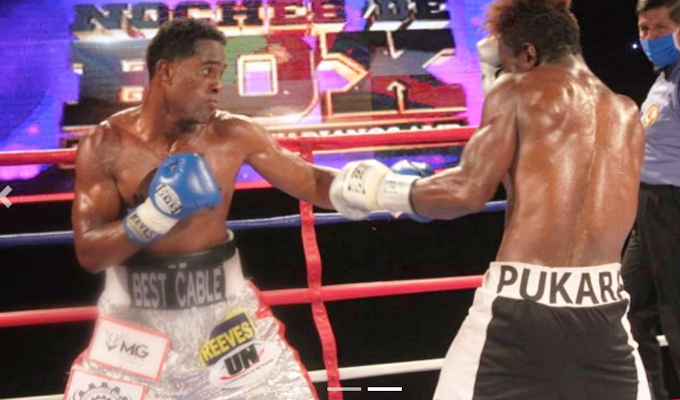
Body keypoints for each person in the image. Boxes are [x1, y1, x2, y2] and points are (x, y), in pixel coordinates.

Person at [329, 0, 652, 398]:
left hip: (517, 310)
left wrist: (381, 188)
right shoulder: (627, 113)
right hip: (604, 312)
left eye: (507, 64)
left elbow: (466, 191)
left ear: (528, 54)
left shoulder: (516, 88)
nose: (501, 74)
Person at [65, 18, 337, 400]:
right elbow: (90, 253)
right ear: (167, 72)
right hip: (132, 331)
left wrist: (390, 191)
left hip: (227, 324)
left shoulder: (234, 133)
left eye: (220, 73)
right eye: (207, 70)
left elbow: (313, 183)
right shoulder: (105, 145)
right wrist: (156, 214)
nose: (217, 84)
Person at [623, 1, 680, 398]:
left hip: (673, 207)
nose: (649, 37)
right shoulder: (665, 77)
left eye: (659, 28)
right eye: (644, 29)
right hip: (648, 209)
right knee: (625, 311)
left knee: (677, 316)